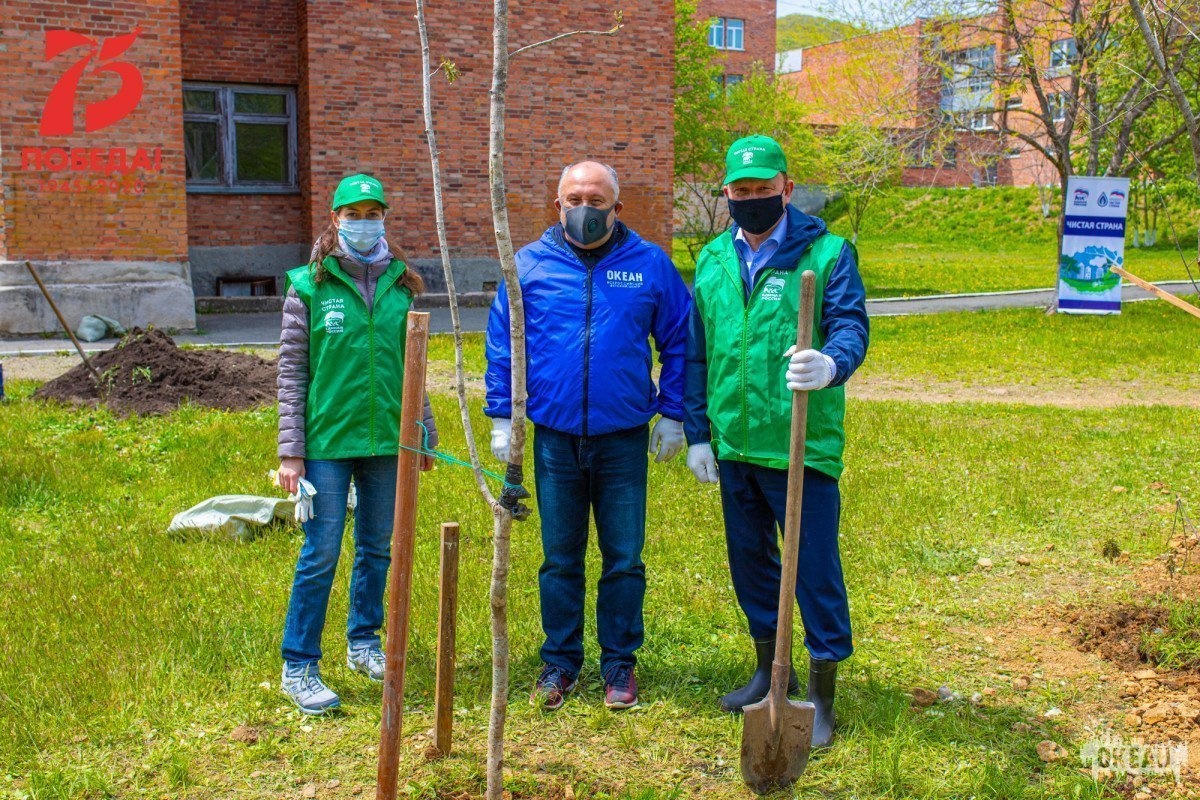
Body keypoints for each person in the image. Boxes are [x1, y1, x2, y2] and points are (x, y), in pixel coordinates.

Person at [484, 161, 691, 711]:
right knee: (559, 557)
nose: (585, 208)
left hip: (622, 438)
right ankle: (559, 664)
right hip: (553, 439)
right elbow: (505, 345)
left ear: (616, 208)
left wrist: (673, 414)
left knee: (623, 556)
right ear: (558, 205)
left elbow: (679, 340)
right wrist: (503, 418)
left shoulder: (649, 265)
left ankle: (620, 664)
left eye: (596, 200)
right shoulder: (527, 266)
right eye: (574, 198)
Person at [684, 136, 868, 748]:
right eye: (742, 191)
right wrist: (696, 434)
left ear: (787, 188)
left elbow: (849, 326)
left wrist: (831, 363)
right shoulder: (712, 259)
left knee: (813, 567)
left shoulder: (827, 253)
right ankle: (768, 672)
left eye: (764, 190)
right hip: (734, 444)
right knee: (751, 566)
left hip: (800, 445)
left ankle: (820, 692)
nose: (753, 200)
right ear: (727, 195)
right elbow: (697, 352)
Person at [275, 173, 437, 715]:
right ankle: (299, 664)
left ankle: (364, 641)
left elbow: (411, 365)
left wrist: (424, 431)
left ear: (385, 218)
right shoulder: (308, 286)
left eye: (373, 214)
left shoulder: (402, 284)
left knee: (377, 548)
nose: (364, 224)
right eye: (354, 214)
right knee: (320, 552)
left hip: (388, 442)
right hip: (326, 441)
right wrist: (290, 451)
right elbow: (292, 373)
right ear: (335, 220)